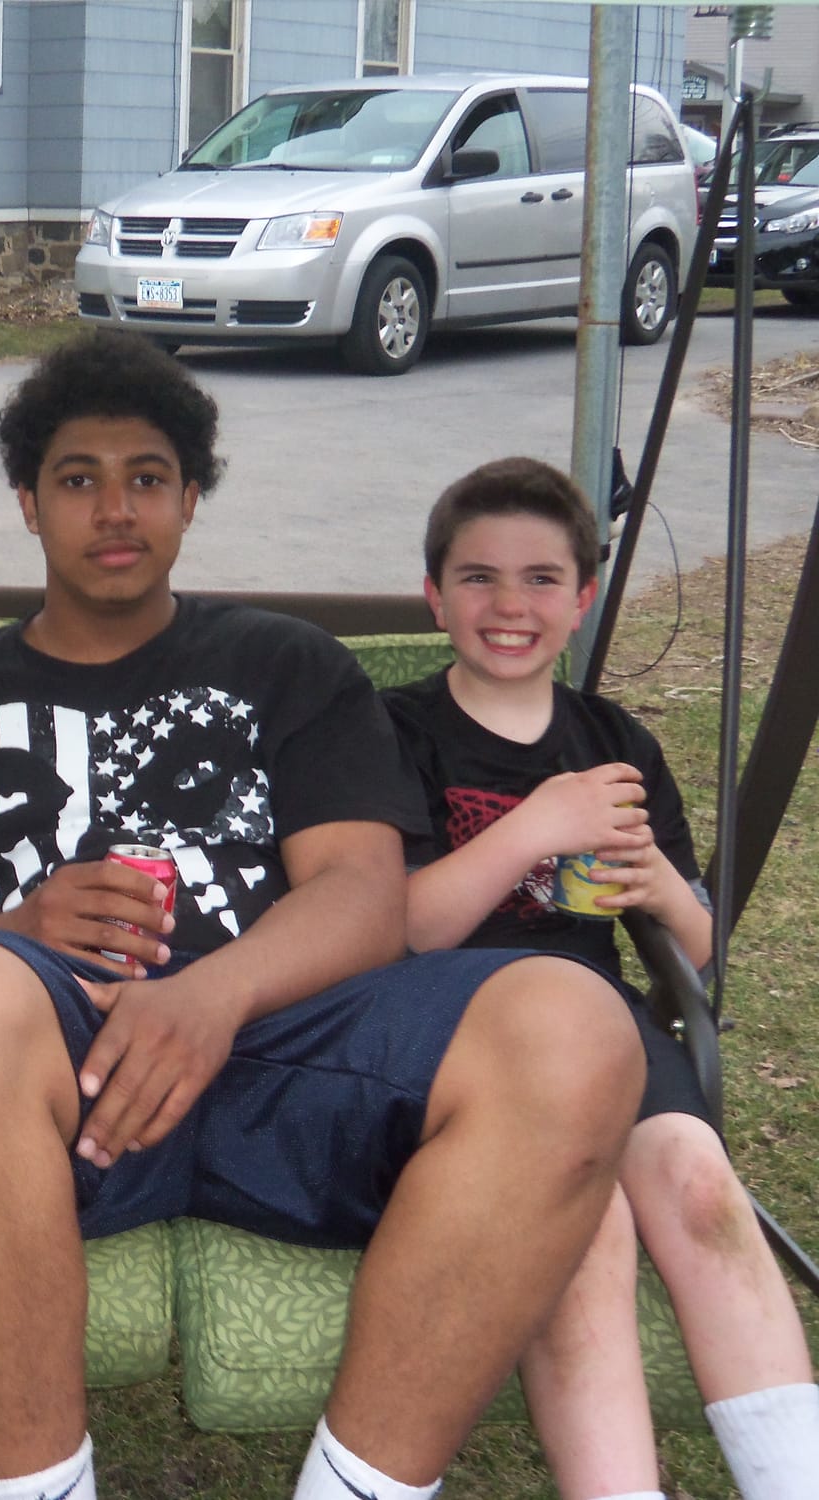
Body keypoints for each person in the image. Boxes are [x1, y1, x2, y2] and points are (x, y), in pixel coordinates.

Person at [0, 332, 648, 1500]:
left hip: (289, 1054)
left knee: (575, 1024)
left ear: (189, 500)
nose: (113, 509)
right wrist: (14, 929)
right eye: (76, 479)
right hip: (42, 1087)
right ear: (27, 504)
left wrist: (210, 995)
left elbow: (362, 893)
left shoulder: (283, 663)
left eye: (147, 478)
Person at [382, 456, 819, 1500]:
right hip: (453, 1033)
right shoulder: (393, 731)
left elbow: (696, 951)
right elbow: (400, 929)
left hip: (603, 1022)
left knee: (701, 1189)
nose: (509, 604)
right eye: (478, 577)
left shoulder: (613, 743)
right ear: (434, 595)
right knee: (581, 1228)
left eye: (541, 579)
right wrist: (534, 827)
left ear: (581, 599)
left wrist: (663, 886)